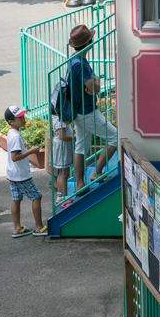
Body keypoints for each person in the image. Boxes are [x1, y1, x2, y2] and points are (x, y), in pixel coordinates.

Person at [67, 25, 118, 192]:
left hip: (78, 111)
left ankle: (80, 184)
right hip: (87, 112)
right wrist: (95, 80)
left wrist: (93, 82)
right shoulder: (80, 64)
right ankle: (96, 172)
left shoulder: (74, 59)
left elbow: (91, 86)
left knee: (81, 147)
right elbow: (95, 88)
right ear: (89, 43)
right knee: (114, 137)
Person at [4, 106, 46, 237]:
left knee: (16, 199)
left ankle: (17, 228)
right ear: (11, 121)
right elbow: (15, 157)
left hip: (13, 174)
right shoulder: (15, 136)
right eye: (20, 117)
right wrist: (31, 151)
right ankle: (39, 227)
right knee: (36, 196)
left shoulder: (11, 133)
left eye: (23, 116)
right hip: (21, 175)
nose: (23, 119)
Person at [50, 113, 74, 204]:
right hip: (62, 147)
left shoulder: (58, 116)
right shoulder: (60, 118)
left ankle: (61, 197)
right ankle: (63, 197)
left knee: (62, 173)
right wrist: (75, 136)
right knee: (64, 173)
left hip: (61, 147)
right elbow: (62, 136)